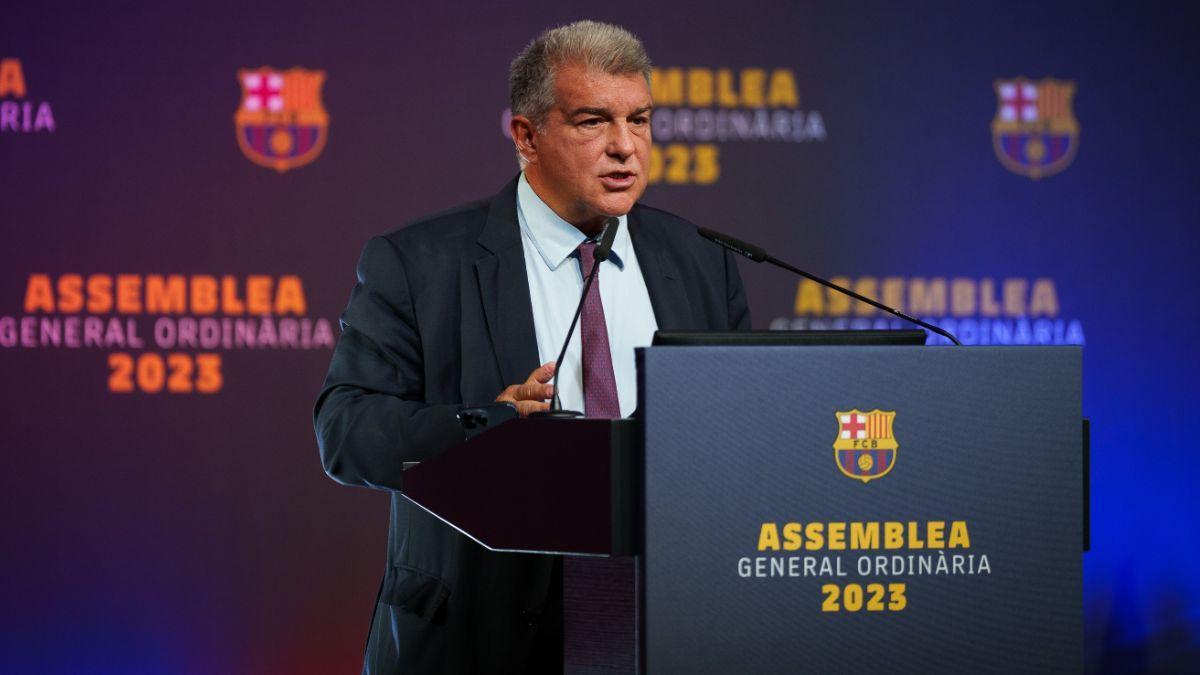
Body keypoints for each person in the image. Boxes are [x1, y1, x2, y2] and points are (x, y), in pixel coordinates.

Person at [314, 20, 750, 674]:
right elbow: (344, 432)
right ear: (526, 136)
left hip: (666, 628)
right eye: (593, 122)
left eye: (640, 120)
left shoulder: (699, 259)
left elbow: (744, 424)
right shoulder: (418, 263)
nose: (625, 147)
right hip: (481, 637)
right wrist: (484, 426)